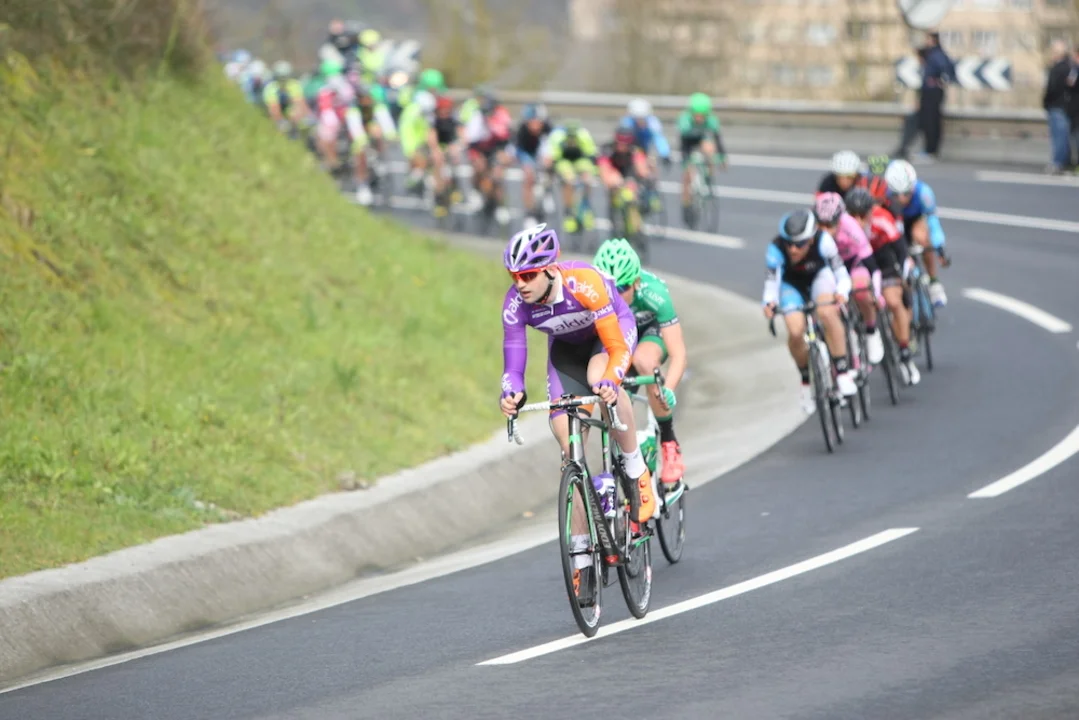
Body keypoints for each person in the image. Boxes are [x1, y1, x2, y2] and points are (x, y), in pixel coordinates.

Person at [499, 225, 657, 603]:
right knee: (569, 449)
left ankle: (634, 467)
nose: (520, 284)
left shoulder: (584, 283)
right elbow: (513, 360)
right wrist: (511, 392)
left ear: (550, 268)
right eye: (514, 276)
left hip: (609, 337)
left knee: (599, 379)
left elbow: (615, 347)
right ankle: (583, 558)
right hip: (566, 353)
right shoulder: (515, 304)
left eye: (528, 275)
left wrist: (612, 380)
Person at [592, 238, 687, 487]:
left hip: (650, 333)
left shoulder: (654, 293)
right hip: (621, 337)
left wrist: (669, 389)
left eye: (622, 287)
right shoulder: (593, 294)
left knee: (643, 360)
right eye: (609, 288)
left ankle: (669, 441)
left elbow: (678, 353)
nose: (615, 295)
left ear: (636, 282)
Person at [762, 209, 857, 413]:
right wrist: (769, 303)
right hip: (791, 285)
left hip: (819, 278)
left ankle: (842, 371)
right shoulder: (775, 248)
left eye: (800, 244)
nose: (793, 250)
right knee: (795, 331)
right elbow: (772, 283)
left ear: (811, 240)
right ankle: (805, 380)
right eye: (789, 243)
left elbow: (841, 274)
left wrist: (841, 292)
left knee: (826, 312)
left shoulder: (824, 241)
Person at [844, 186, 920, 386]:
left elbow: (900, 249)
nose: (859, 220)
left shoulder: (881, 218)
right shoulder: (844, 226)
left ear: (870, 211)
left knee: (893, 301)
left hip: (882, 258)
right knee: (857, 293)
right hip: (858, 261)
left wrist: (904, 272)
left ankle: (904, 351)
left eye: (863, 215)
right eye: (853, 215)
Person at [812, 192, 884, 365]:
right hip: (830, 269)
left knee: (861, 289)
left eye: (830, 225)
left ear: (840, 220)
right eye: (821, 225)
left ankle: (871, 330)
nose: (825, 231)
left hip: (853, 264)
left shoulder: (851, 227)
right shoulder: (812, 232)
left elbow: (872, 267)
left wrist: (876, 294)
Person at [884, 159, 950, 307]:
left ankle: (934, 282)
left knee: (922, 238)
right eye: (896, 195)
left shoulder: (924, 193)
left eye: (906, 193)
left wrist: (939, 247)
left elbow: (932, 221)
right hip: (894, 221)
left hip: (915, 219)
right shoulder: (884, 195)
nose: (901, 199)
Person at [462, 91, 514, 226]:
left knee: (498, 174)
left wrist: (505, 156)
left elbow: (506, 138)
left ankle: (499, 204)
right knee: (479, 167)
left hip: (496, 148)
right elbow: (471, 140)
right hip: (478, 147)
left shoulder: (502, 115)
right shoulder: (477, 117)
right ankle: (477, 192)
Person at [678, 92, 727, 225]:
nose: (699, 118)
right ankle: (686, 204)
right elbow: (683, 145)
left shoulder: (712, 121)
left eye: (702, 115)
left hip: (702, 140)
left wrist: (722, 158)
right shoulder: (685, 121)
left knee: (710, 149)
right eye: (696, 115)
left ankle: (708, 176)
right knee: (688, 175)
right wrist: (685, 162)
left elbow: (718, 140)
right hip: (688, 143)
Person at [544, 120, 599, 233]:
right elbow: (554, 158)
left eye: (574, 138)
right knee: (568, 180)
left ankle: (586, 208)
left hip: (580, 159)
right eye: (570, 138)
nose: (572, 141)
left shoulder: (584, 136)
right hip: (564, 160)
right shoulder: (558, 138)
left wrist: (592, 172)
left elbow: (591, 155)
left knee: (587, 179)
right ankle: (569, 213)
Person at [596, 128, 652, 232]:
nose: (622, 146)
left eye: (625, 144)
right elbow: (604, 168)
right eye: (620, 143)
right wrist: (611, 181)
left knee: (633, 194)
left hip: (629, 173)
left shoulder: (635, 149)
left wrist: (646, 175)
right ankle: (615, 217)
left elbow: (641, 166)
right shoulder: (607, 149)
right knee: (614, 185)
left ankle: (636, 225)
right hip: (614, 172)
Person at [916, 32, 956, 162]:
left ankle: (930, 150)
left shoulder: (936, 55)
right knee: (931, 120)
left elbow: (946, 70)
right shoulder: (934, 53)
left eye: (927, 39)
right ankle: (930, 150)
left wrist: (940, 80)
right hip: (932, 91)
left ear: (933, 40)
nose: (925, 42)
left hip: (932, 92)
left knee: (931, 121)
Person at [513, 103, 553, 228]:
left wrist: (546, 162)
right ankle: (529, 213)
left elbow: (549, 149)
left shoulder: (548, 129)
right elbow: (518, 151)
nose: (535, 126)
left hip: (541, 152)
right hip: (527, 153)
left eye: (538, 122)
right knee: (528, 177)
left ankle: (547, 190)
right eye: (532, 122)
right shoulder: (521, 132)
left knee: (549, 166)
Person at [1043, 40, 1073, 175]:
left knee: (1059, 137)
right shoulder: (1068, 67)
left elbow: (1052, 88)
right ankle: (1061, 163)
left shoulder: (1060, 68)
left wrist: (1046, 102)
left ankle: (1058, 163)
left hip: (1058, 106)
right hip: (1061, 106)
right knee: (1061, 136)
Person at [263, 61, 311, 134]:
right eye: (281, 77)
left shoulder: (294, 85)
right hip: (278, 113)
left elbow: (300, 104)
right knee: (281, 126)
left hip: (290, 111)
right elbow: (273, 109)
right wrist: (280, 121)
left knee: (300, 116)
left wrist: (301, 117)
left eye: (285, 77)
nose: (283, 80)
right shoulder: (270, 88)